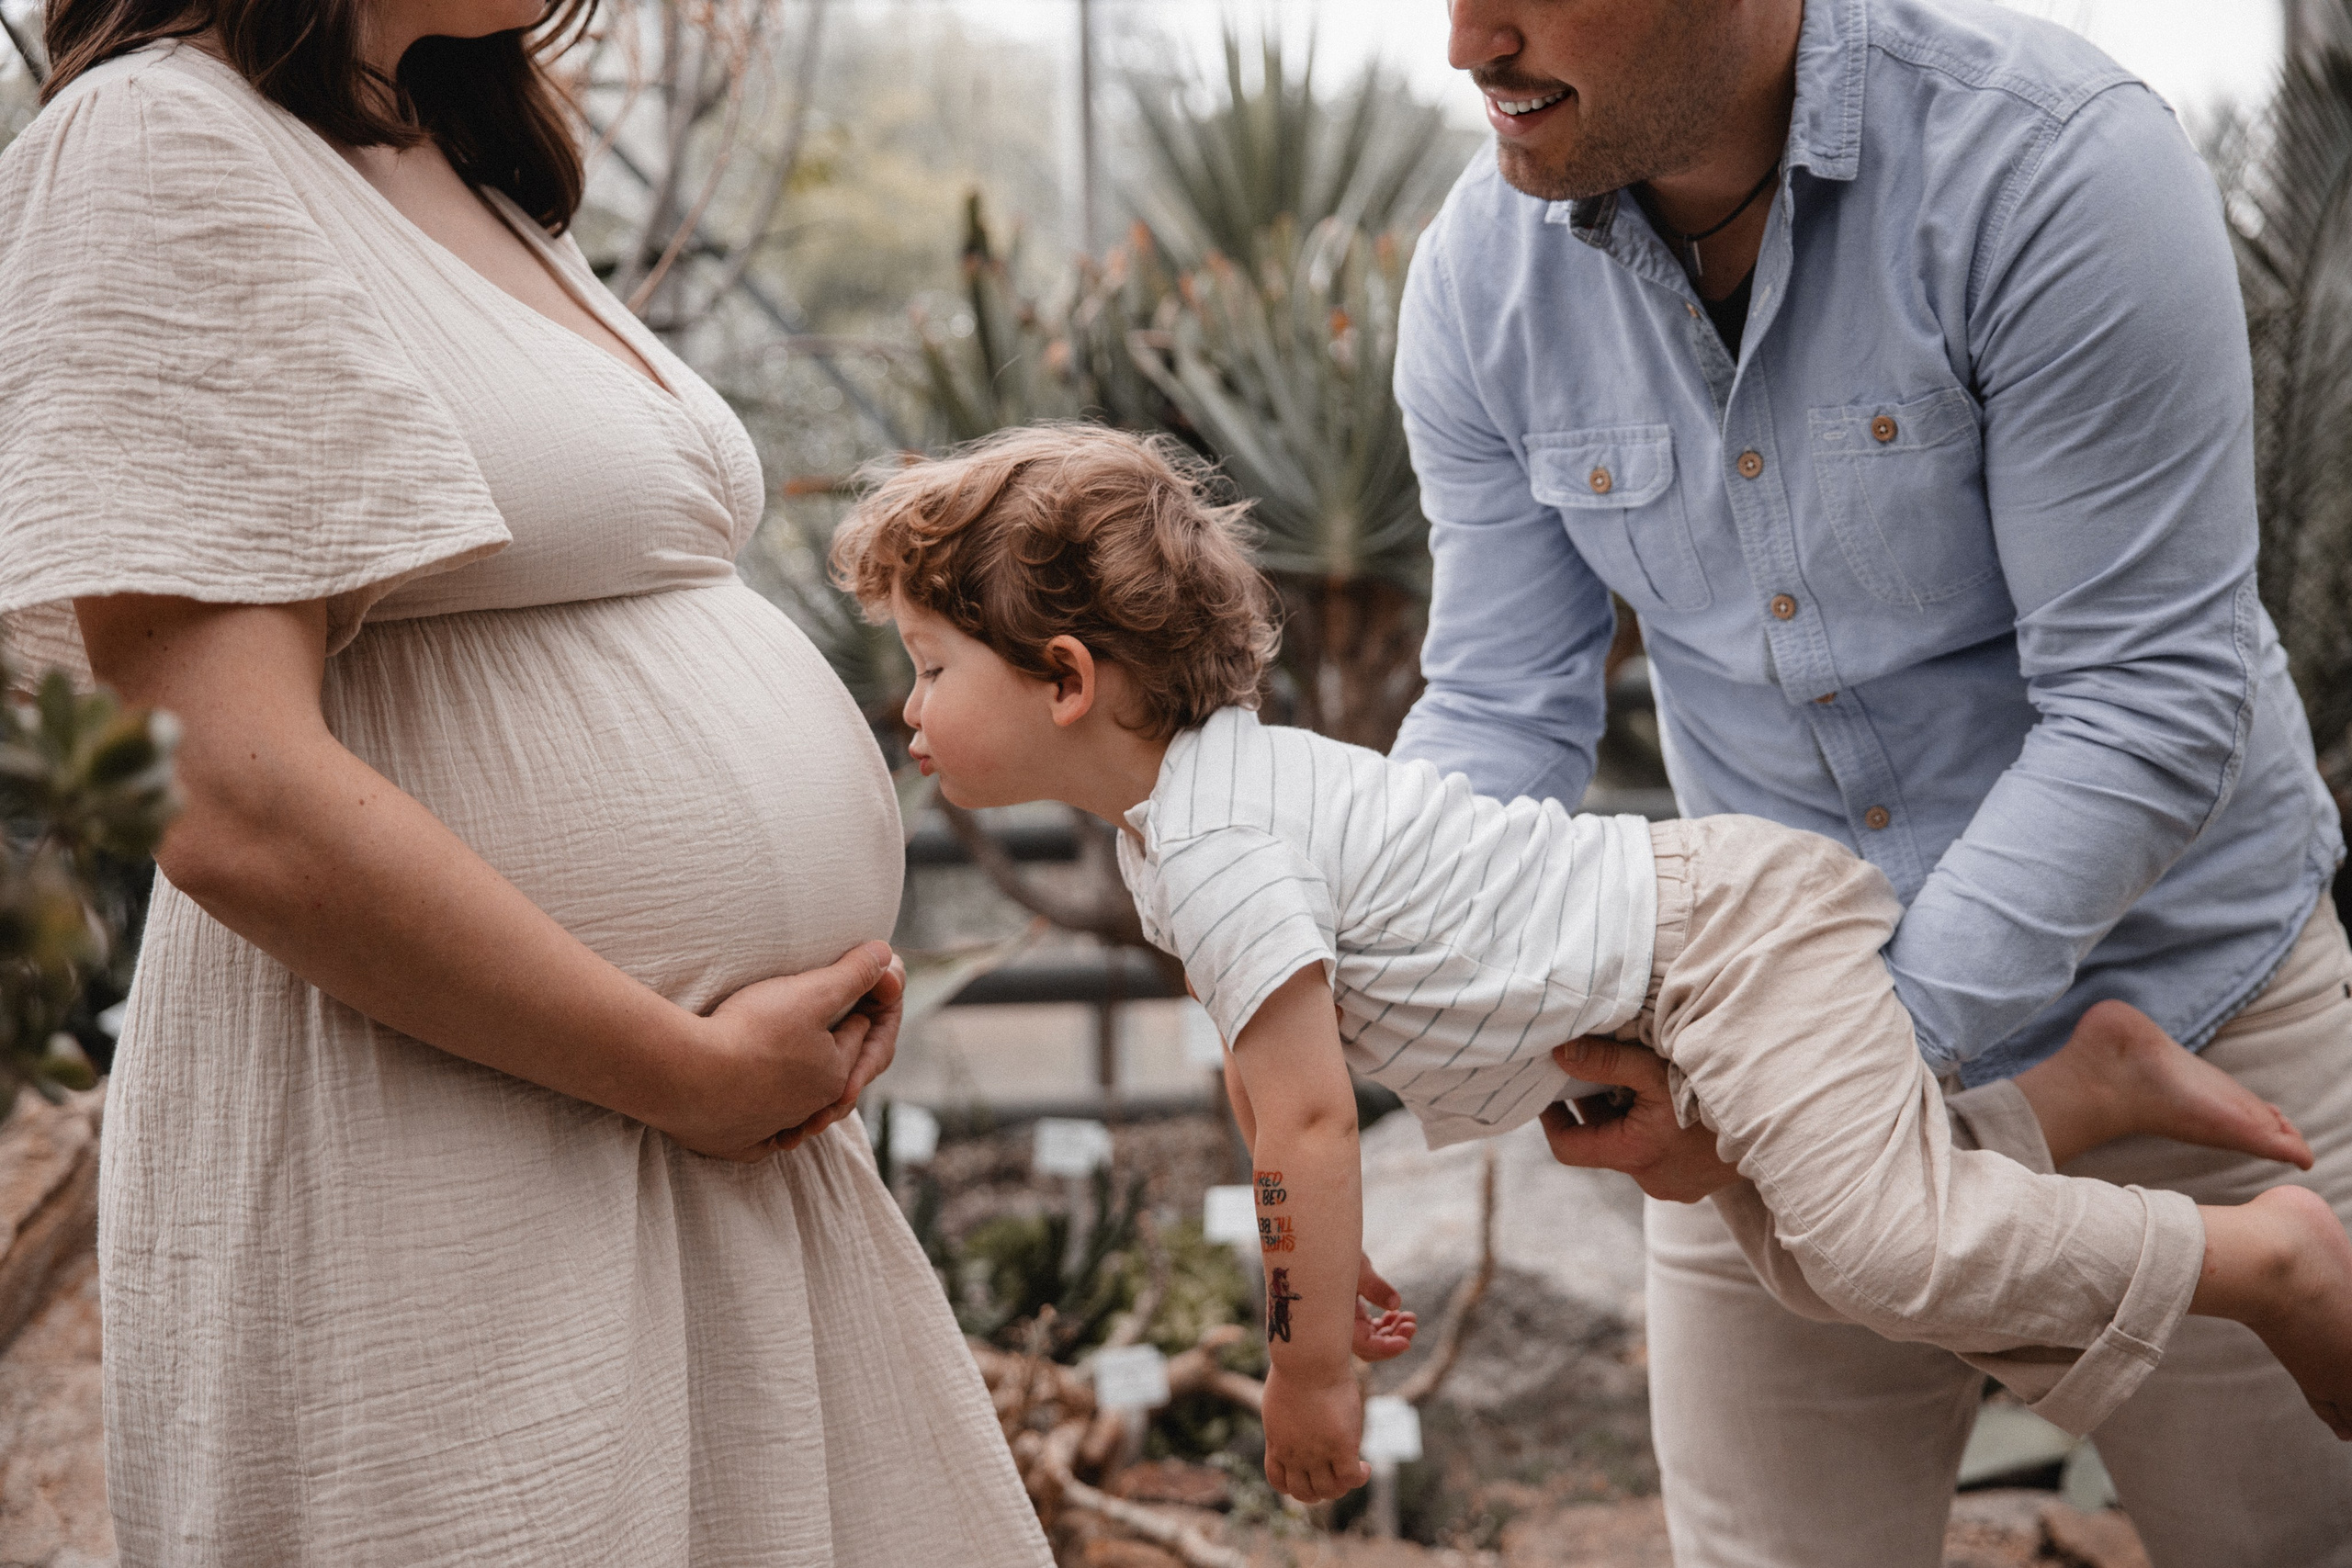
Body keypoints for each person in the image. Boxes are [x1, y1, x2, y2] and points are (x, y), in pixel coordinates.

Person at [825, 422, 2352, 1504]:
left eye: (933, 665)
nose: (912, 707)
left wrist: (1307, 1373)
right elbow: (1268, 1078)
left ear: (1067, 679)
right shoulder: (1188, 826)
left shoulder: (1216, 837)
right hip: (1693, 956)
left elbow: (1305, 1118)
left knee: (1886, 1249)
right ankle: (2086, 1087)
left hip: (1720, 945)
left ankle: (2268, 1260)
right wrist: (1326, 1266)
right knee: (1808, 1256)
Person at [0, 3, 1052, 1563]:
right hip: (436, 1135)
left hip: (675, 1140)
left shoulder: (438, 143)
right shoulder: (155, 139)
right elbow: (223, 795)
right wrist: (686, 1071)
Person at [1395, 0, 2352, 1562]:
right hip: (1767, 1048)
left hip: (2197, 1013)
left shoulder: (2051, 165)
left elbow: (2145, 703)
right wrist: (1361, 953)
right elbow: (1502, 705)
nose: (1466, 44)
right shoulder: (1479, 276)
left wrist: (1798, 1070)